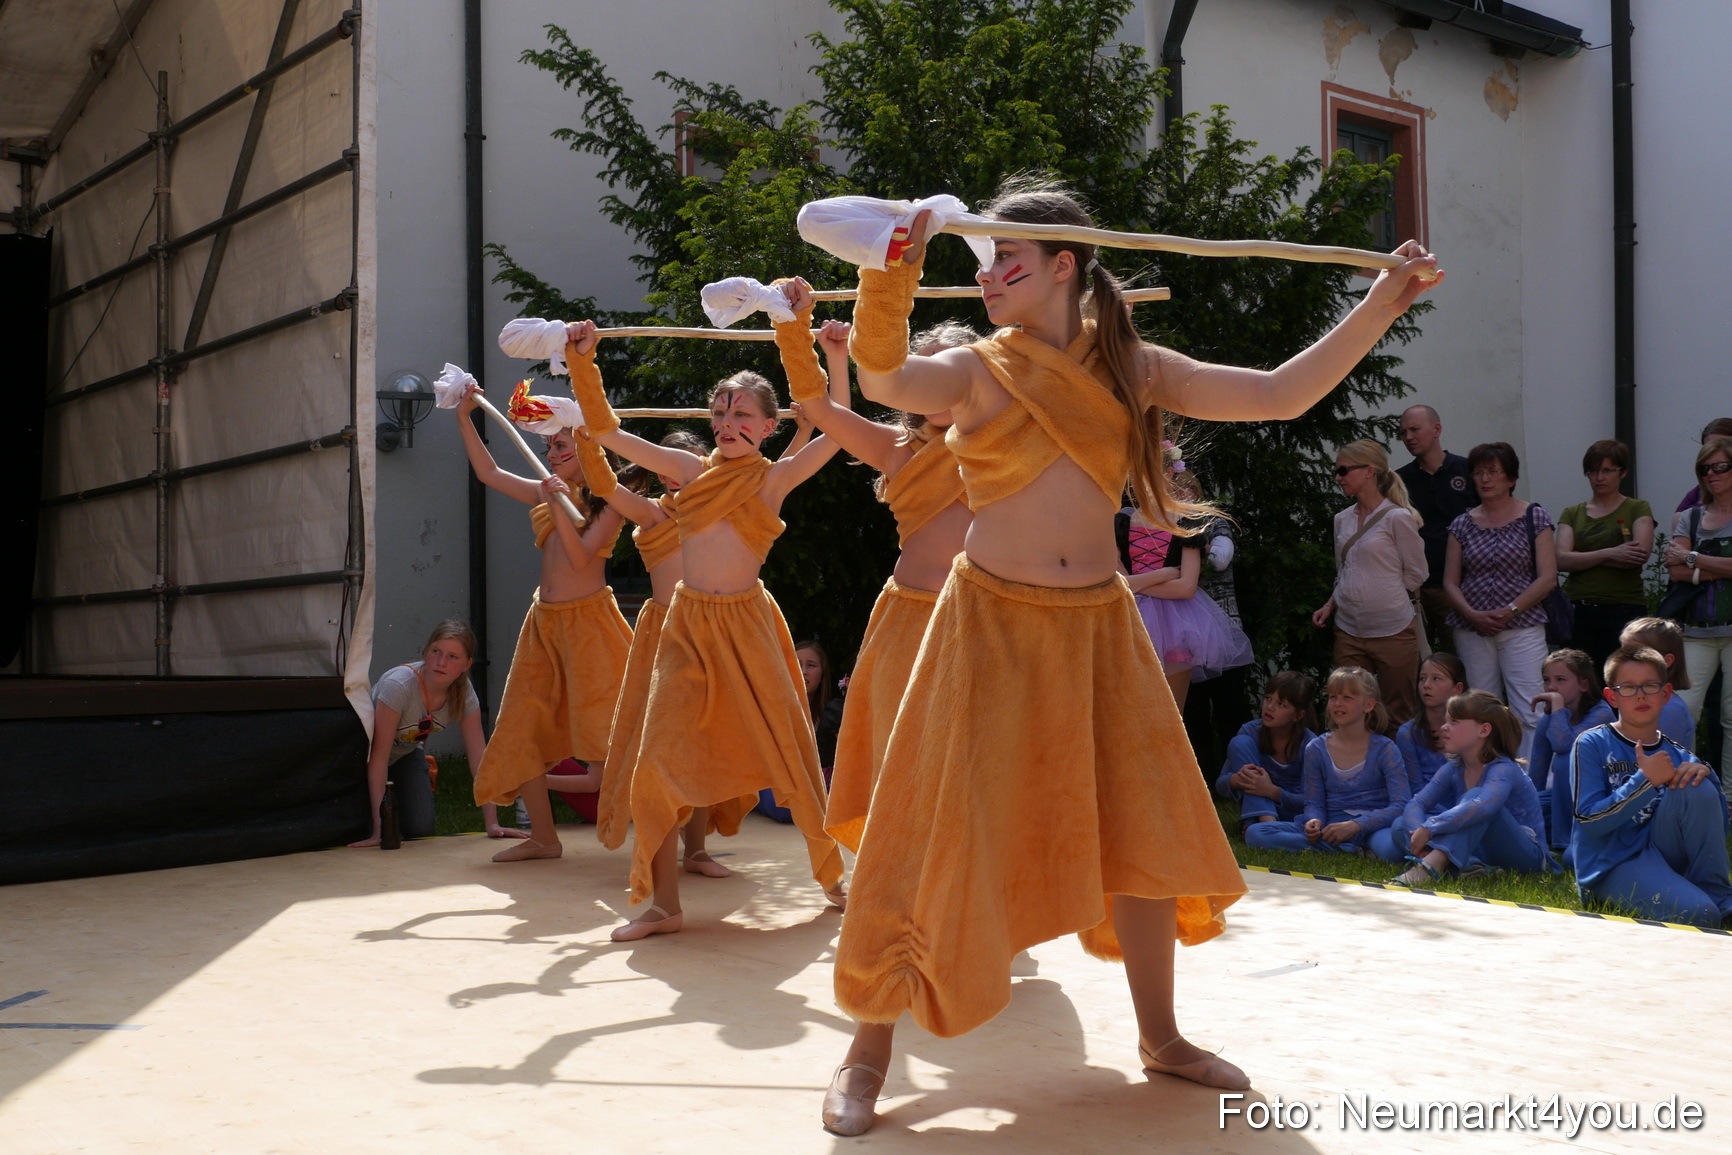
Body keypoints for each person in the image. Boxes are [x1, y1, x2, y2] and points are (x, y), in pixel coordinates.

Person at [813, 178, 1439, 1135]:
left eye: (1007, 258)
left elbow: (1281, 393)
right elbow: (891, 380)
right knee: (928, 830)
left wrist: (1380, 302)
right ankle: (866, 1053)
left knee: (1141, 824)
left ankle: (1161, 1035)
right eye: (981, 263)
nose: (988, 276)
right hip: (987, 627)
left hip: (1099, 629)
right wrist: (887, 281)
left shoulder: (1134, 367)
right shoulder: (978, 369)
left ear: (1064, 263)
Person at [563, 292, 846, 942]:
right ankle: (664, 903)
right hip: (688, 630)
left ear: (768, 425)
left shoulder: (773, 479)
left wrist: (818, 347)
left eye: (740, 412)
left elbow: (836, 424)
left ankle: (832, 880)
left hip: (748, 627)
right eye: (719, 411)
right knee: (655, 765)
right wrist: (585, 363)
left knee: (793, 755)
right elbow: (608, 436)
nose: (725, 421)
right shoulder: (690, 472)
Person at [782, 315, 977, 854]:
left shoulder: (1006, 446)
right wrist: (799, 335)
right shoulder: (896, 448)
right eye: (924, 371)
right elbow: (821, 410)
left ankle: (973, 889)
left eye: (946, 370)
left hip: (982, 620)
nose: (934, 383)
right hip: (907, 622)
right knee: (903, 753)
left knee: (975, 755)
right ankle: (903, 877)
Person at [457, 388, 632, 862]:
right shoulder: (546, 488)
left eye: (561, 446)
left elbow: (581, 559)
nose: (550, 453)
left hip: (591, 627)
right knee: (522, 729)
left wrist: (557, 501)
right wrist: (463, 416)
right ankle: (544, 838)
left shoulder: (608, 502)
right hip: (544, 625)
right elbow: (487, 472)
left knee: (613, 739)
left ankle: (677, 833)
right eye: (548, 446)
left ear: (587, 449)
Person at [577, 428, 740, 879]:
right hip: (665, 641)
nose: (672, 470)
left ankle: (697, 850)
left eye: (681, 460)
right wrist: (588, 439)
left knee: (705, 741)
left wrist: (806, 426)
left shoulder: (722, 508)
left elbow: (770, 474)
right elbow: (606, 486)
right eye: (664, 461)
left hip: (711, 636)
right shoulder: (651, 516)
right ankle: (660, 848)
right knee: (663, 747)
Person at [1569, 643, 1732, 927]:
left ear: (1666, 694)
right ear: (1611, 697)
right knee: (1700, 915)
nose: (1640, 695)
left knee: (1697, 781)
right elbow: (1589, 820)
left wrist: (1708, 776)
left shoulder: (1679, 755)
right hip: (1613, 864)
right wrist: (1645, 780)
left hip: (1663, 855)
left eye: (1650, 686)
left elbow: (1718, 832)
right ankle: (1700, 902)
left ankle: (1720, 898)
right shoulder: (1591, 743)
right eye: (1628, 688)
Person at [348, 621, 528, 847]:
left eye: (453, 657)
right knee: (364, 831)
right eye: (436, 652)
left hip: (406, 753)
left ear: (467, 664)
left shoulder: (463, 692)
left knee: (421, 830)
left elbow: (479, 759)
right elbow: (378, 757)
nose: (441, 662)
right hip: (362, 757)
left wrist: (492, 824)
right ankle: (374, 821)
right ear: (426, 651)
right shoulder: (399, 687)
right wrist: (378, 830)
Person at [1442, 441, 1556, 756]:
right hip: (1472, 628)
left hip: (1523, 625)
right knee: (1478, 709)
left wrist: (1510, 610)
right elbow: (1450, 582)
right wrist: (1471, 614)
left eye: (1493, 471)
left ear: (1511, 477)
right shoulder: (1462, 524)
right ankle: (1484, 780)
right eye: (1478, 472)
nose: (1485, 479)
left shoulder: (1535, 516)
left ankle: (1534, 785)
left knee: (1530, 707)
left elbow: (1548, 576)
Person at [1118, 446, 1253, 711]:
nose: (1138, 478)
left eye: (1147, 471)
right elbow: (1120, 583)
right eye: (1135, 472)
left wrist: (1139, 584)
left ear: (1169, 473)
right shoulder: (1119, 522)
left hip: (1178, 625)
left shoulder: (1188, 523)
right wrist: (1166, 573)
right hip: (1126, 620)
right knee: (1131, 711)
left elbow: (1187, 588)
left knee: (1172, 713)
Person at [1552, 618, 1700, 854]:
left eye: (1635, 651)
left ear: (1667, 661)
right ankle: (1561, 838)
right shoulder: (1629, 707)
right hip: (1621, 797)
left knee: (1579, 851)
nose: (1625, 657)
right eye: (1623, 650)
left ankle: (1567, 842)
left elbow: (1652, 770)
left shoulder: (1670, 710)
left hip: (1650, 809)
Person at [1378, 690, 1553, 884]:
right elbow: (1417, 803)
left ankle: (1428, 868)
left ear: (1483, 730)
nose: (1444, 727)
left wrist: (1429, 829)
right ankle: (1470, 867)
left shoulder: (1504, 769)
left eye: (1454, 722)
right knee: (1401, 824)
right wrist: (1418, 830)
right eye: (1446, 721)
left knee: (1477, 799)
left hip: (1525, 857)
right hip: (1477, 848)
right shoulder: (1454, 767)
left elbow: (1484, 805)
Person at [1312, 438, 1427, 727]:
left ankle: (1397, 771)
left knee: (1399, 714)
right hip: (1349, 629)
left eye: (1343, 470)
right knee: (1347, 711)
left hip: (1393, 630)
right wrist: (1330, 604)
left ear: (1369, 471)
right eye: (1335, 471)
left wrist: (1383, 593)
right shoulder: (1342, 519)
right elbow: (1345, 570)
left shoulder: (1398, 518)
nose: (1337, 478)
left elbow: (1417, 573)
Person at [1243, 666, 1411, 861]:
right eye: (1333, 697)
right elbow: (1314, 802)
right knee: (1256, 833)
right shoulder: (1316, 748)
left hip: (1373, 827)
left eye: (1347, 698)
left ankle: (1348, 846)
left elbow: (1401, 804)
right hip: (1330, 826)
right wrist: (1315, 821)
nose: (1338, 704)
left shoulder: (1386, 749)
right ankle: (1347, 849)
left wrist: (1357, 825)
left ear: (1369, 705)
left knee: (1392, 852)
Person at [1665, 436, 1732, 781]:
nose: (1712, 474)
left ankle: (1731, 799)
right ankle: (1677, 784)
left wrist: (1693, 559)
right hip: (1696, 631)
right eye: (1705, 468)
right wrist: (1719, 566)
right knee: (1682, 711)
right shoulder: (1690, 517)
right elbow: (1674, 571)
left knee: (1731, 716)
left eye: (1720, 466)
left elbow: (1683, 562)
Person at [1554, 440, 1654, 669]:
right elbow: (1560, 559)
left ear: (1623, 472)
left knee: (1622, 675)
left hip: (1623, 607)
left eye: (1608, 470)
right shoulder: (1572, 513)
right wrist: (1612, 552)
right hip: (1579, 608)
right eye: (1593, 471)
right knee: (1580, 680)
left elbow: (1639, 555)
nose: (1600, 477)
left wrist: (1582, 558)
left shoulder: (1637, 508)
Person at [1395, 405, 1475, 654]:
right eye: (1403, 432)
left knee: (1461, 663)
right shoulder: (1399, 481)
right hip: (1414, 591)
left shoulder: (1468, 471)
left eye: (1415, 429)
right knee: (1418, 666)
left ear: (1437, 429)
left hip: (1459, 588)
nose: (1409, 437)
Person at [1214, 671, 1319, 835]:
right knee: (1239, 742)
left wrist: (1272, 791)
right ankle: (1267, 824)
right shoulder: (1250, 731)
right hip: (1259, 810)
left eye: (1281, 704)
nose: (1270, 707)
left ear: (1298, 715)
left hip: (1293, 814)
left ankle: (1260, 827)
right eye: (1268, 698)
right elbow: (1220, 785)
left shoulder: (1310, 745)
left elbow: (1312, 800)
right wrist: (1236, 780)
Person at [757, 639, 847, 822]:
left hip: (815, 785)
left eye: (811, 665)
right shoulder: (772, 709)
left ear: (822, 675)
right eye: (797, 665)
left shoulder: (831, 714)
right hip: (774, 783)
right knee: (784, 808)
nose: (803, 671)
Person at [1526, 648, 1601, 854]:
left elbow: (1565, 746)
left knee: (1565, 759)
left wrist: (1557, 705)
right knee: (1519, 807)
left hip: (1598, 799)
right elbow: (1536, 778)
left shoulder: (1601, 713)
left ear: (1584, 685)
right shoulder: (1549, 720)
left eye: (1560, 680)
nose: (1551, 687)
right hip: (1561, 799)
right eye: (1547, 680)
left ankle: (1565, 841)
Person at [1394, 652, 1468, 797]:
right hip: (1426, 809)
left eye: (1436, 679)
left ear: (1457, 689)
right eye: (1422, 679)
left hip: (1469, 808)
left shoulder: (1471, 729)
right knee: (1399, 821)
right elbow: (1415, 789)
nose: (1426, 685)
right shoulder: (1408, 733)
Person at [1674, 418, 1732, 511]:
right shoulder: (1699, 491)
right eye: (1709, 447)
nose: (1716, 450)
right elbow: (1679, 519)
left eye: (1725, 444)